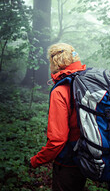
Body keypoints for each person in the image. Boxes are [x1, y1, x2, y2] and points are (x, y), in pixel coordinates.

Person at [30, 43, 86, 191]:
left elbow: (57, 139)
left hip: (68, 161)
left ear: (55, 63)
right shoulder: (86, 82)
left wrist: (36, 161)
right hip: (87, 154)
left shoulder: (61, 90)